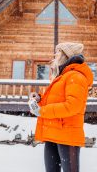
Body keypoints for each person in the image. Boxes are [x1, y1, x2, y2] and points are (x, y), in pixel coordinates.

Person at [28, 42, 93, 172]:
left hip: (67, 135)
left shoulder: (76, 76)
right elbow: (56, 101)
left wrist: (42, 111)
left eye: (58, 52)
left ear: (65, 55)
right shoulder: (62, 77)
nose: (55, 55)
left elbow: (72, 106)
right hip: (53, 133)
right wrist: (40, 100)